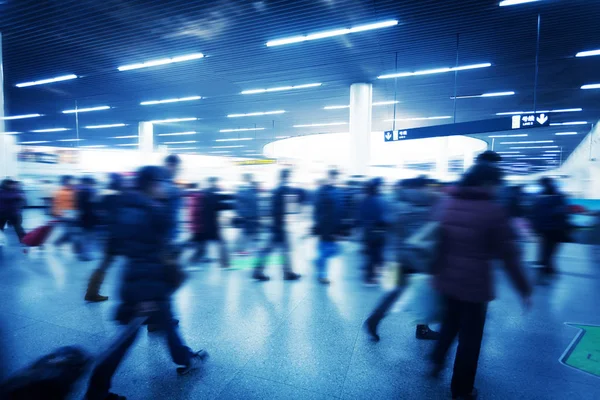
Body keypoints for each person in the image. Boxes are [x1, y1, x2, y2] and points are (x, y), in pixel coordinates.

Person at [85, 166, 208, 400]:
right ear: (151, 183)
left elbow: (117, 247)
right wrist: (146, 295)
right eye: (161, 182)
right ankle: (96, 390)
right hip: (147, 285)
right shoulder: (152, 211)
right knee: (125, 339)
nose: (164, 187)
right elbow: (151, 254)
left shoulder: (123, 207)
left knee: (167, 322)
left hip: (137, 280)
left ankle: (185, 358)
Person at [430, 162, 532, 400]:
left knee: (450, 323)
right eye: (497, 183)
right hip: (474, 286)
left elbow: (439, 240)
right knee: (470, 339)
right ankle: (462, 390)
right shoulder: (493, 211)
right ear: (488, 183)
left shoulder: (450, 202)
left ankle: (436, 361)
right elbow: (509, 256)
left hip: (446, 279)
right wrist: (524, 289)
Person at [364, 177, 441, 341]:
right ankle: (423, 329)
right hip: (419, 258)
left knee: (395, 291)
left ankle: (374, 319)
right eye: (430, 186)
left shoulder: (397, 202)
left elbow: (390, 227)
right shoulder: (425, 205)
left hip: (399, 256)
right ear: (421, 187)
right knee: (425, 292)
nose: (433, 190)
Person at [253, 169, 301, 282]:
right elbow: (285, 208)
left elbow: (272, 208)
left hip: (275, 224)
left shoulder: (276, 189)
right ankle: (258, 271)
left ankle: (287, 272)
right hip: (279, 225)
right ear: (288, 176)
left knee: (281, 249)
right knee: (270, 249)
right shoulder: (284, 189)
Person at [85, 174, 124, 302]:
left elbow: (97, 212)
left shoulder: (102, 196)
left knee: (105, 263)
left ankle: (92, 291)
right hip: (119, 236)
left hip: (108, 234)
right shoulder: (120, 198)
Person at [531, 177, 570, 277]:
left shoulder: (539, 197)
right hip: (555, 228)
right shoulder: (559, 197)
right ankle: (547, 266)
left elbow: (535, 213)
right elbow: (563, 213)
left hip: (544, 228)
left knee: (545, 247)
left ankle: (545, 266)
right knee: (551, 248)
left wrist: (535, 227)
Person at [312, 169, 345, 285]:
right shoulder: (324, 191)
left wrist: (340, 226)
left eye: (336, 177)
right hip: (326, 226)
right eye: (334, 177)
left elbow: (339, 210)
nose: (335, 179)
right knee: (327, 250)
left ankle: (317, 261)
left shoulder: (336, 191)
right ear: (329, 177)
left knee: (331, 250)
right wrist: (318, 224)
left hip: (330, 226)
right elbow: (319, 210)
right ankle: (322, 276)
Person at [191, 177, 230, 268]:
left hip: (203, 223)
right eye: (215, 182)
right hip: (212, 224)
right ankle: (225, 264)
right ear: (213, 182)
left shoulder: (203, 192)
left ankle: (193, 261)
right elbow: (218, 206)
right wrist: (228, 205)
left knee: (202, 246)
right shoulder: (214, 192)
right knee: (221, 243)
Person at [357, 178, 387, 286]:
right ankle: (370, 278)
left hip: (367, 232)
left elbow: (360, 217)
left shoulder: (364, 200)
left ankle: (370, 275)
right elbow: (381, 219)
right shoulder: (378, 200)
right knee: (375, 255)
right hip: (376, 232)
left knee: (371, 255)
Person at [235, 173, 260, 255]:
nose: (251, 179)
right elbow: (240, 202)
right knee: (245, 232)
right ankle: (240, 249)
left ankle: (253, 247)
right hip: (247, 214)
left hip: (251, 214)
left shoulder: (251, 188)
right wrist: (241, 213)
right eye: (249, 178)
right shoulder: (243, 188)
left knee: (252, 231)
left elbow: (254, 201)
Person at [53, 175, 77, 248]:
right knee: (70, 232)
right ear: (65, 181)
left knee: (71, 231)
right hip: (65, 215)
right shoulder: (60, 192)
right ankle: (58, 242)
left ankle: (58, 242)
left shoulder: (74, 190)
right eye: (70, 180)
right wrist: (57, 214)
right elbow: (56, 204)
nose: (73, 182)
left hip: (72, 214)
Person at [76, 176, 97, 262]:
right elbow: (93, 205)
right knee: (88, 237)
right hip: (89, 217)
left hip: (82, 217)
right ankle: (85, 255)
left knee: (83, 236)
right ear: (88, 182)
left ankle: (80, 253)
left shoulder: (78, 191)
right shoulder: (90, 192)